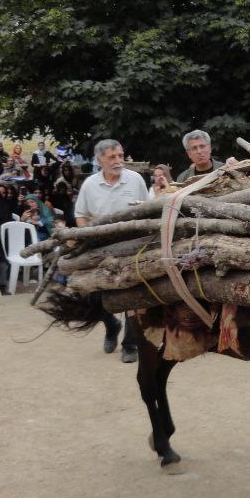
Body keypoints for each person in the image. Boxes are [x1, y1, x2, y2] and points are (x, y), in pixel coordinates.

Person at [74, 138, 151, 362]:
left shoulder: (135, 179)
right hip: (100, 247)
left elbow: (147, 210)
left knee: (131, 296)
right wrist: (87, 236)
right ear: (100, 160)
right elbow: (80, 215)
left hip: (132, 247)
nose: (118, 161)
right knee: (95, 295)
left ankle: (130, 345)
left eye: (120, 156)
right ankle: (111, 325)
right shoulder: (90, 184)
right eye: (112, 157)